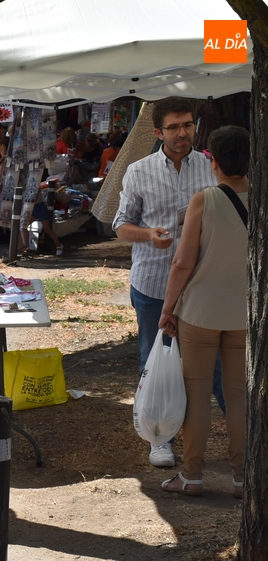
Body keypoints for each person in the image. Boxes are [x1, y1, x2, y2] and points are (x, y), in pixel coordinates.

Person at [112, 96, 217, 469]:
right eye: (173, 127)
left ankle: (241, 438)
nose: (182, 133)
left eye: (188, 125)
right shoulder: (139, 171)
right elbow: (120, 225)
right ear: (158, 132)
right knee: (156, 361)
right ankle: (160, 439)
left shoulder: (210, 166)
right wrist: (147, 235)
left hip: (202, 284)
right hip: (154, 283)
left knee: (212, 364)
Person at [158, 126, 249, 498]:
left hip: (199, 310)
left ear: (212, 160)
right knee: (239, 395)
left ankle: (192, 475)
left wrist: (168, 308)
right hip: (246, 312)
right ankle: (244, 477)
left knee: (196, 394)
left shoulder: (204, 200)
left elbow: (182, 263)